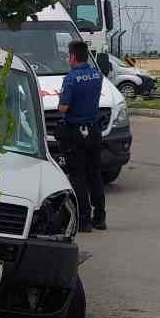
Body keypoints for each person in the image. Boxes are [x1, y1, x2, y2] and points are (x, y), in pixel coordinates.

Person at [57, 40, 106, 232]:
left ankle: (84, 220)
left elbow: (63, 108)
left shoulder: (71, 78)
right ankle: (100, 217)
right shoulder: (97, 75)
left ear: (73, 57)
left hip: (74, 131)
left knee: (78, 176)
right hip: (93, 130)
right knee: (94, 174)